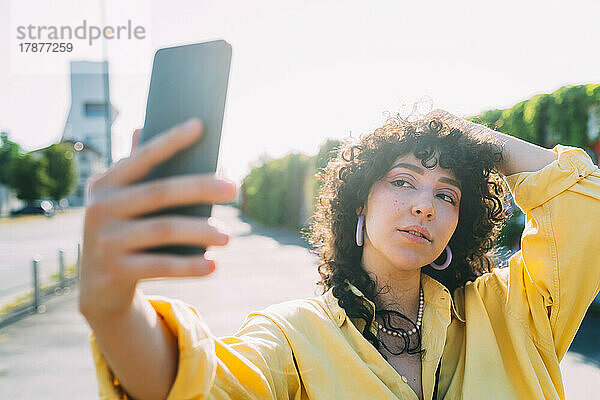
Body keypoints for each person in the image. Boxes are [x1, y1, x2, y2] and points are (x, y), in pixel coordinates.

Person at [79, 109, 600, 400]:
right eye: (403, 181)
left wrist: (470, 137)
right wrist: (113, 310)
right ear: (359, 202)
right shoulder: (295, 335)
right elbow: (196, 383)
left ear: (458, 226)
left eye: (447, 194)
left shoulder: (513, 314)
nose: (424, 206)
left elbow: (587, 208)